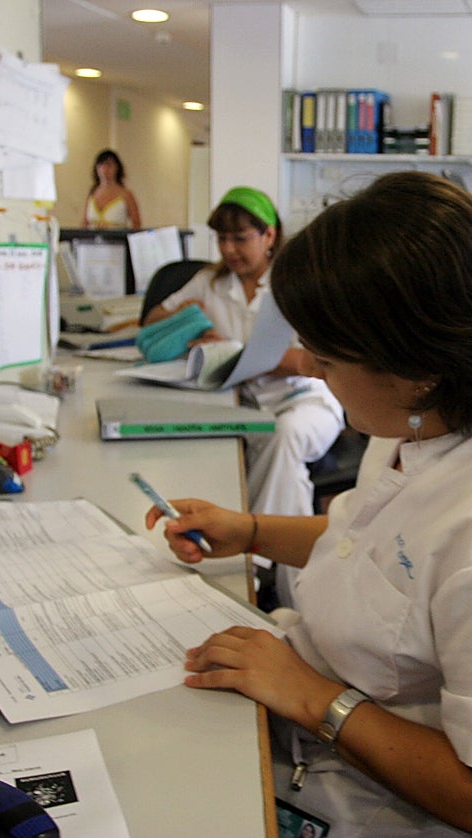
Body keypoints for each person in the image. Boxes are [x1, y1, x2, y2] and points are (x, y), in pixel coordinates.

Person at [144, 172, 472, 838]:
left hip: (373, 800)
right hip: (304, 707)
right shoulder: (421, 422)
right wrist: (249, 529)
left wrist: (310, 697)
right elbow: (373, 546)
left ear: (417, 364)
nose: (309, 367)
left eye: (329, 357)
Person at [142, 187, 344, 607]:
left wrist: (235, 351)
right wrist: (188, 318)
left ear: (269, 235)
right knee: (254, 454)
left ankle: (259, 572)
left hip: (305, 400)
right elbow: (153, 319)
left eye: (241, 238)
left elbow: (311, 362)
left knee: (283, 436)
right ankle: (279, 586)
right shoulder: (212, 280)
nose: (229, 250)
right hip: (244, 400)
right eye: (221, 239)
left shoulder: (295, 281)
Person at [81, 149, 142, 229]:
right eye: (101, 165)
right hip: (92, 240)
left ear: (117, 168)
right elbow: (85, 222)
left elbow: (136, 223)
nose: (104, 169)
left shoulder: (126, 194)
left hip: (116, 240)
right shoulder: (93, 193)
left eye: (109, 165)